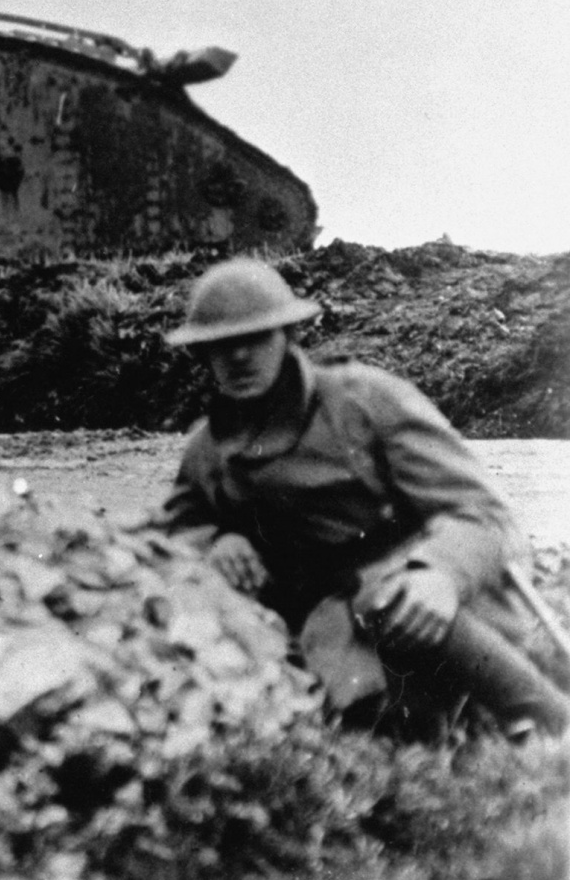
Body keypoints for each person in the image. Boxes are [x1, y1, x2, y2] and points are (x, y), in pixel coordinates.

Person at [159, 258, 570, 739]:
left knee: (390, 602)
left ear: (288, 336)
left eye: (256, 337)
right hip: (330, 624)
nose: (239, 357)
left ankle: (549, 716)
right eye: (221, 344)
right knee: (375, 720)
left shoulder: (367, 401)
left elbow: (483, 512)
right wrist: (217, 541)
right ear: (202, 354)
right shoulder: (208, 448)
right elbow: (175, 527)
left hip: (439, 604)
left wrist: (439, 572)